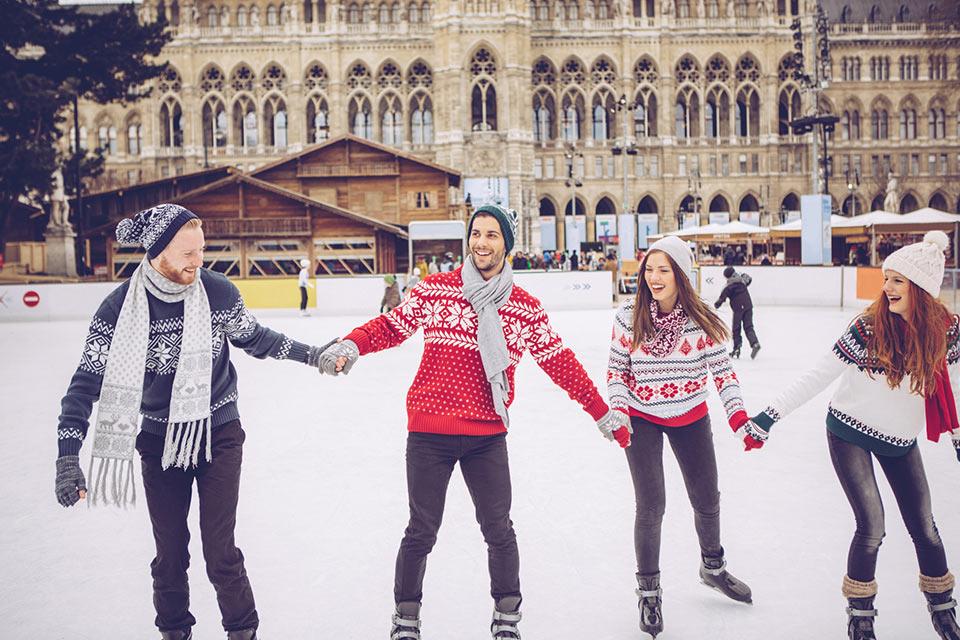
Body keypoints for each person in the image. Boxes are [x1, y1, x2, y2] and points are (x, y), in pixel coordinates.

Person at [316, 204, 629, 640]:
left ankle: (506, 618)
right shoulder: (437, 290)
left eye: (492, 235)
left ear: (507, 245)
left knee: (499, 530)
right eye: (476, 233)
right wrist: (352, 344)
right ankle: (406, 618)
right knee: (421, 530)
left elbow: (561, 363)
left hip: (486, 434)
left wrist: (601, 412)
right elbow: (392, 326)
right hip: (429, 431)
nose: (481, 242)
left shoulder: (524, 308)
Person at [53, 204, 331, 640]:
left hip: (219, 433)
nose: (198, 261)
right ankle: (174, 632)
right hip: (158, 438)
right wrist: (68, 457)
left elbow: (256, 339)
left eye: (201, 250)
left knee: (220, 552)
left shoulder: (218, 293)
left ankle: (243, 632)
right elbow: (85, 383)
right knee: (170, 554)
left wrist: (312, 354)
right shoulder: (118, 309)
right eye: (188, 253)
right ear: (158, 251)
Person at [743, 231, 960, 640]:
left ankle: (942, 608)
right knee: (872, 525)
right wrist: (769, 416)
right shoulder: (868, 328)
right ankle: (861, 616)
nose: (887, 287)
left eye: (898, 280)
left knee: (925, 527)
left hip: (900, 441)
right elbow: (819, 374)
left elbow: (956, 389)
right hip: (850, 432)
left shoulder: (948, 333)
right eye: (887, 278)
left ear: (921, 288)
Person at [607, 235, 754, 638]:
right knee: (651, 505)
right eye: (649, 269)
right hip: (641, 417)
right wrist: (619, 414)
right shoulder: (628, 316)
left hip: (690, 415)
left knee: (707, 498)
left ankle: (713, 567)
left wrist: (739, 416)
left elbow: (724, 373)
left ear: (681, 274)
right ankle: (649, 591)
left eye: (663, 269)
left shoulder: (700, 319)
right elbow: (616, 373)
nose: (654, 277)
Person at [714, 266, 761, 359]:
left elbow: (721, 299)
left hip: (738, 308)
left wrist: (716, 306)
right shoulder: (742, 281)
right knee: (749, 327)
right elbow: (749, 279)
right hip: (748, 306)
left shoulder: (728, 287)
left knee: (736, 328)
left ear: (727, 277)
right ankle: (755, 343)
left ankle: (736, 349)